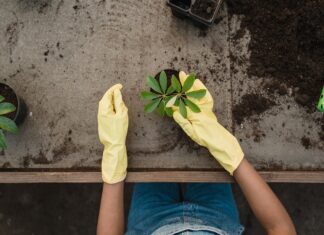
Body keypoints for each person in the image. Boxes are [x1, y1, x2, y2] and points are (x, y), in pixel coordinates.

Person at [96, 72, 296, 235]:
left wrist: (114, 156)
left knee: (151, 154)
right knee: (206, 158)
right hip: (216, 217)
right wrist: (232, 155)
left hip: (150, 223)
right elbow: (281, 229)